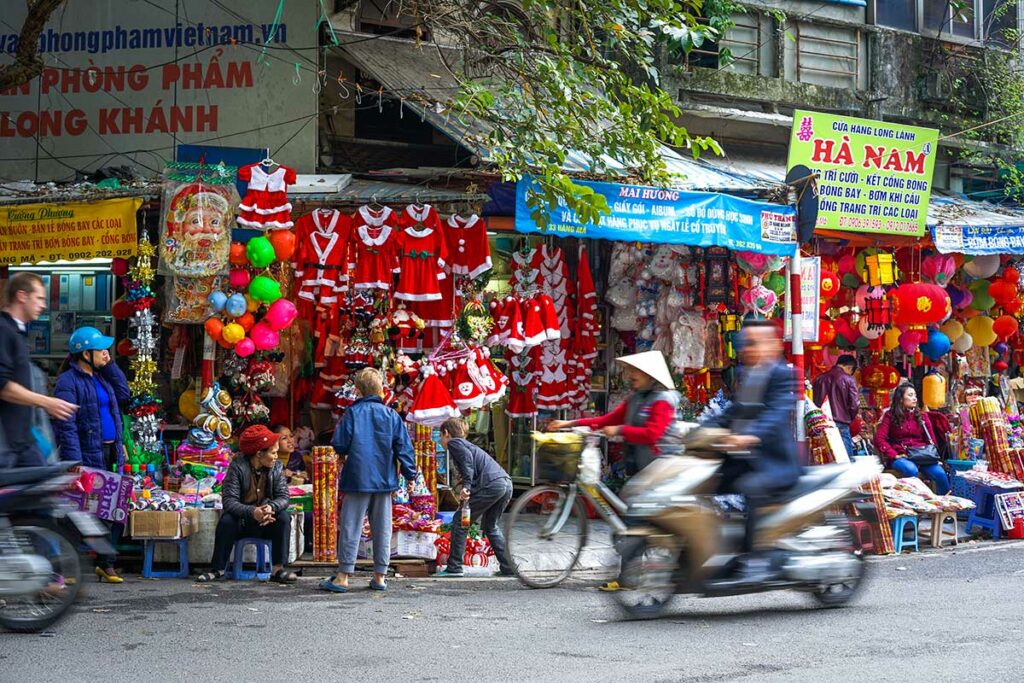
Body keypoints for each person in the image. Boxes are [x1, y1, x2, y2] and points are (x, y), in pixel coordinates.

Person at [707, 320, 801, 584]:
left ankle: (756, 557)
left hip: (774, 463)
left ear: (772, 345)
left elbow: (777, 412)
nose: (746, 349)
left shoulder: (782, 375)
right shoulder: (747, 374)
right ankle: (721, 552)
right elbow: (732, 412)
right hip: (745, 459)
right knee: (707, 483)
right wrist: (697, 431)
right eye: (744, 344)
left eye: (752, 343)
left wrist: (751, 435)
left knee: (751, 488)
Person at [320, 368, 416, 593]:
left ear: (358, 390)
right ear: (382, 388)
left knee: (351, 526)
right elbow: (404, 448)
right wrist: (410, 475)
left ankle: (343, 576)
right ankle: (380, 576)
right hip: (384, 481)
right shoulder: (391, 415)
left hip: (357, 478)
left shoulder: (352, 414)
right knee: (382, 528)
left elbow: (340, 444)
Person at [53, 326, 130, 583]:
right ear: (85, 353)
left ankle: (105, 564)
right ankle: (68, 566)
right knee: (77, 510)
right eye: (101, 350)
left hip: (109, 451)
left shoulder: (102, 377)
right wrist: (74, 459)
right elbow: (67, 424)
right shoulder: (68, 382)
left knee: (111, 508)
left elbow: (124, 394)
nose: (107, 353)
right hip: (84, 454)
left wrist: (109, 366)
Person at [549, 350, 682, 476]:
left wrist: (620, 430)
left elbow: (652, 434)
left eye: (635, 371)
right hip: (642, 466)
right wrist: (568, 424)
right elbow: (607, 420)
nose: (630, 375)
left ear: (650, 375)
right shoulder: (635, 399)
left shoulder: (664, 399)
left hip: (662, 467)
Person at [198, 424, 297, 583]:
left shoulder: (276, 467)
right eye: (273, 452)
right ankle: (218, 569)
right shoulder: (237, 466)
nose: (276, 456)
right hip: (242, 522)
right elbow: (229, 501)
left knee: (284, 518)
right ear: (259, 454)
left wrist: (271, 507)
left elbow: (284, 497)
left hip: (267, 521)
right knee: (227, 520)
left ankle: (277, 569)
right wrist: (252, 512)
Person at [0, 273, 77, 467]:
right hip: (7, 448)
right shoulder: (3, 330)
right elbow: (2, 385)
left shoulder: (17, 332)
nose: (43, 305)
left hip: (21, 443)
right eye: (39, 298)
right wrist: (46, 402)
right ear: (22, 296)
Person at [435, 417, 514, 578]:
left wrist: (466, 487)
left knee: (460, 521)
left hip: (491, 485)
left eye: (440, 436)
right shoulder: (465, 444)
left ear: (446, 433)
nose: (440, 441)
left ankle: (454, 567)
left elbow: (467, 462)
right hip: (505, 484)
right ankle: (509, 567)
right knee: (490, 526)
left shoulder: (454, 443)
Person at [874, 382, 950, 494]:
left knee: (940, 474)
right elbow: (879, 439)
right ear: (900, 399)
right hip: (902, 455)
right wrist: (894, 455)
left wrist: (933, 457)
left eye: (914, 395)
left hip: (922, 456)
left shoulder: (922, 416)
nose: (914, 398)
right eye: (910, 395)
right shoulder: (890, 416)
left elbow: (931, 440)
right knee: (911, 469)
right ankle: (915, 504)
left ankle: (942, 506)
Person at [812, 354, 860, 459]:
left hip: (821, 422)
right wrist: (849, 417)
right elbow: (854, 404)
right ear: (849, 368)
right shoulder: (849, 379)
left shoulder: (819, 378)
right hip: (841, 422)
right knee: (845, 458)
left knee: (825, 457)